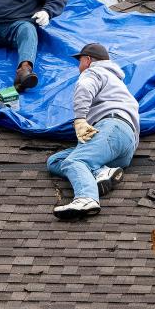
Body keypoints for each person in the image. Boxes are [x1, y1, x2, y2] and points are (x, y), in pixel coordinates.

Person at [47, 43, 140, 219]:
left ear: (88, 60)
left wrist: (80, 119)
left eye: (80, 61)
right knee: (55, 161)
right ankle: (101, 171)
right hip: (124, 147)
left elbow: (84, 87)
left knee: (76, 161)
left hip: (111, 128)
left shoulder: (94, 72)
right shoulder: (116, 82)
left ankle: (86, 197)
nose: (79, 66)